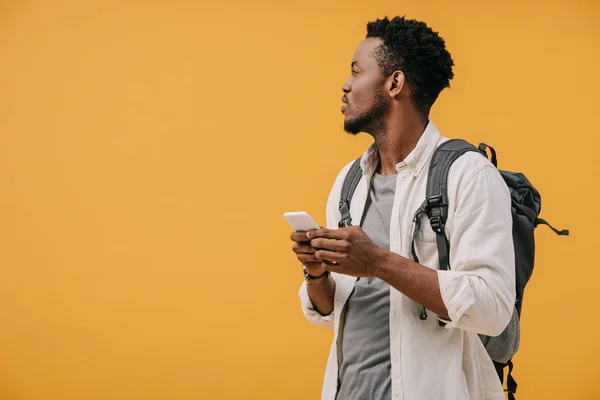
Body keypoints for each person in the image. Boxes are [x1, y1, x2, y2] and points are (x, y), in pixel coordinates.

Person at [290, 16, 515, 400]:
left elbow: (494, 308)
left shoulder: (468, 175)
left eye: (356, 71)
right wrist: (316, 272)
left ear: (394, 84)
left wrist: (378, 262)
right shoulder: (351, 181)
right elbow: (344, 314)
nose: (345, 84)